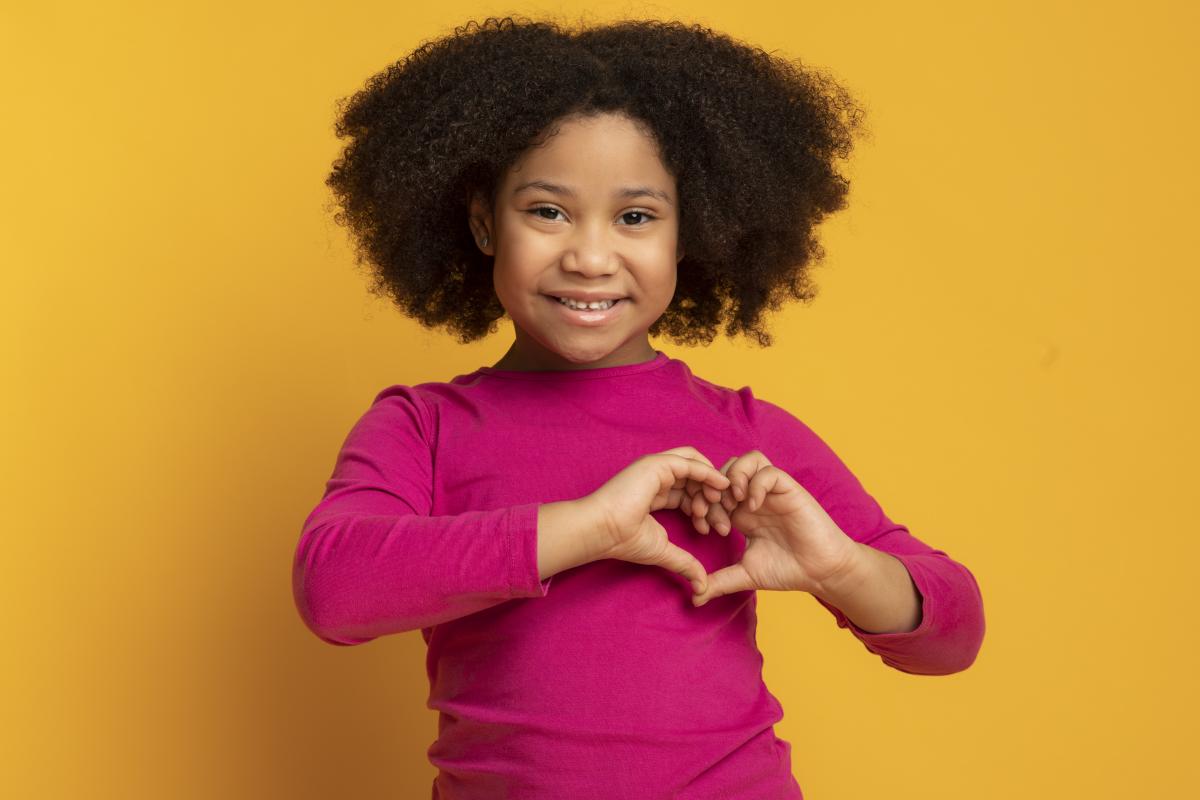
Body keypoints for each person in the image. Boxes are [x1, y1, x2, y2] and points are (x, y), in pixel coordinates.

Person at [292, 15, 986, 800]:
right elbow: (336, 590)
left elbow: (953, 635)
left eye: (636, 217)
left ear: (692, 231)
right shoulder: (423, 426)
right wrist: (592, 525)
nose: (590, 257)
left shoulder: (744, 434)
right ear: (485, 221)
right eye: (548, 211)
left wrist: (840, 567)